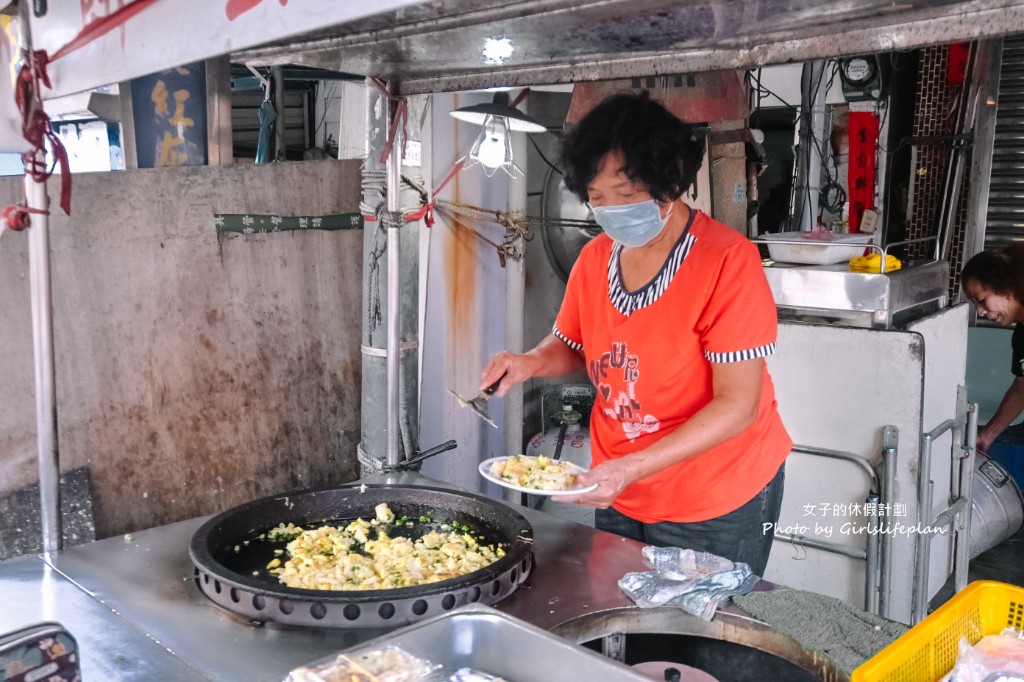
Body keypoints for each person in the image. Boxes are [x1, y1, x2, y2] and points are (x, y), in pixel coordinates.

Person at [478, 92, 791, 576]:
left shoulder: (727, 262)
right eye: (598, 200)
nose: (610, 212)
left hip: (712, 495)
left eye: (625, 197)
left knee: (697, 639)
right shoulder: (595, 258)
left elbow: (738, 405)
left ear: (669, 185)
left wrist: (630, 468)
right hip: (618, 484)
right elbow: (573, 344)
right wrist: (529, 363)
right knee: (622, 623)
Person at [960, 243, 1024, 454]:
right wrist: (986, 435)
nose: (980, 311)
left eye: (981, 300)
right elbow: (1021, 389)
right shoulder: (1021, 336)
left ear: (1007, 287)